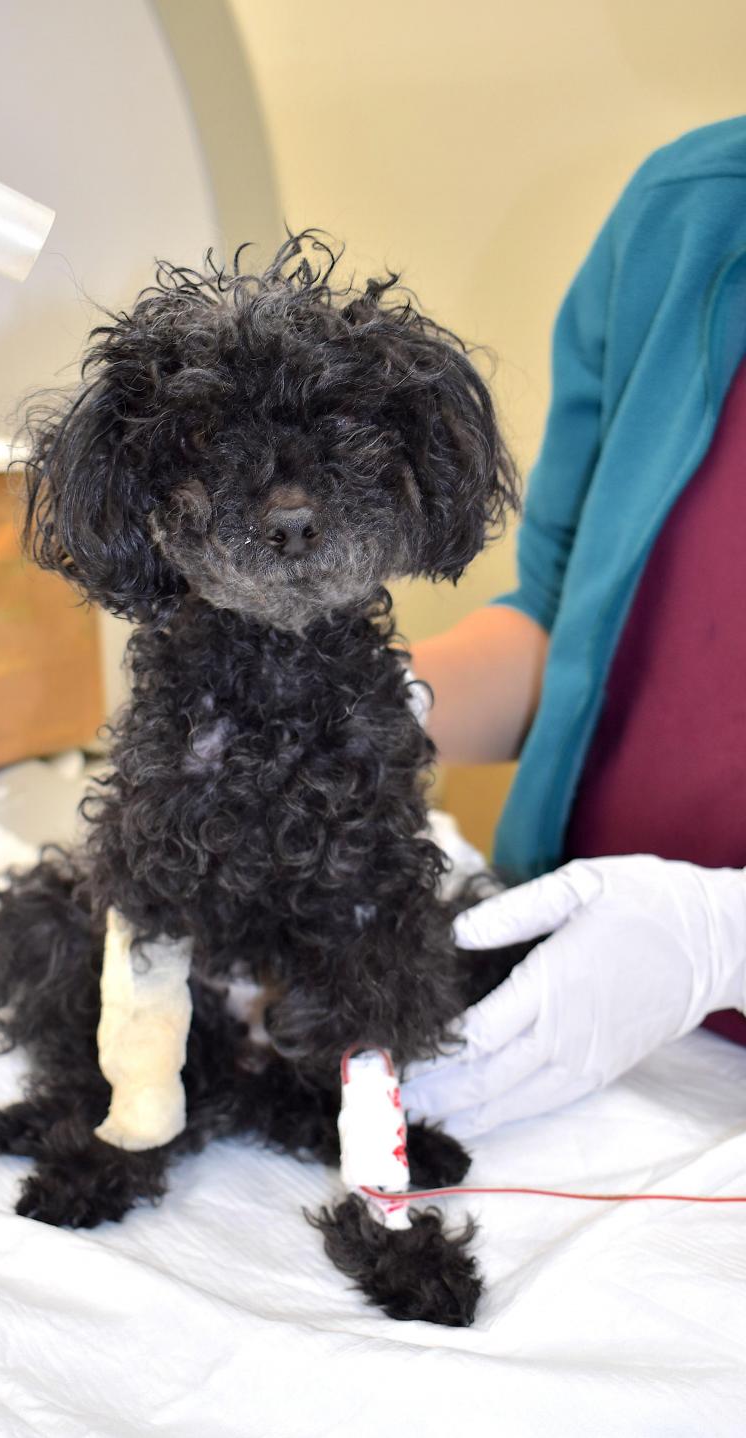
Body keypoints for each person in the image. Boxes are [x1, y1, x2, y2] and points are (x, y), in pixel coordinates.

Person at [401, 116, 746, 1140]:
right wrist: (365, 705)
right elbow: (562, 627)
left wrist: (723, 940)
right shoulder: (686, 212)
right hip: (566, 1003)